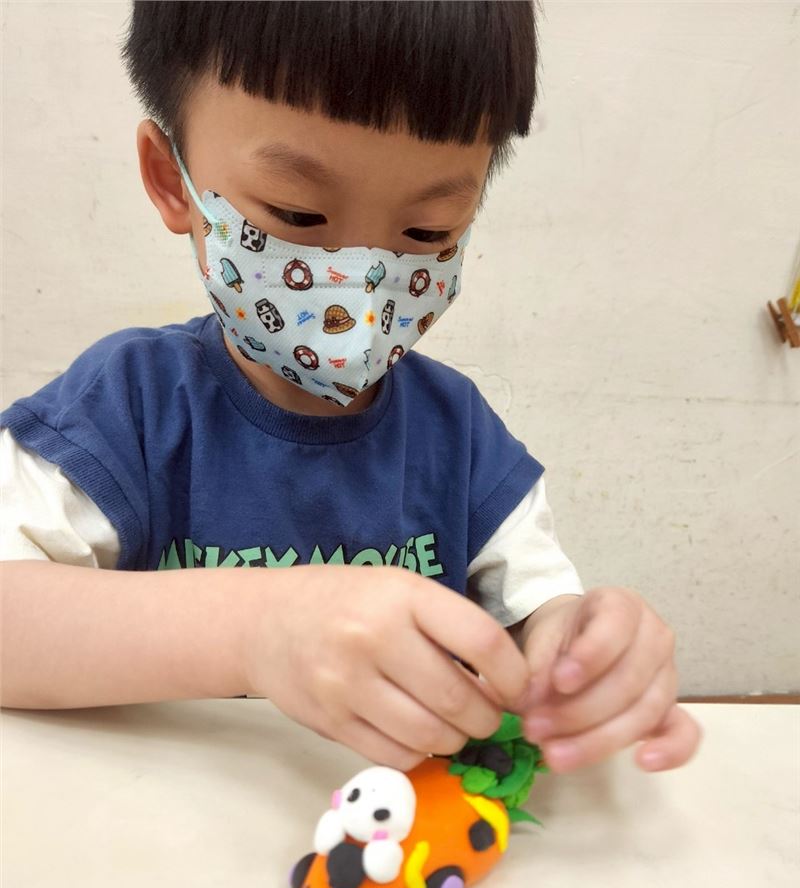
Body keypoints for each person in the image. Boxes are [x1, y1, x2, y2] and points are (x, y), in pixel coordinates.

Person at [0, 1, 700, 775]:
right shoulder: (127, 407)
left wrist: (584, 657)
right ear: (173, 181)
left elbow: (538, 617)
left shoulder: (460, 437)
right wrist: (257, 629)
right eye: (298, 214)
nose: (361, 288)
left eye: (428, 232)